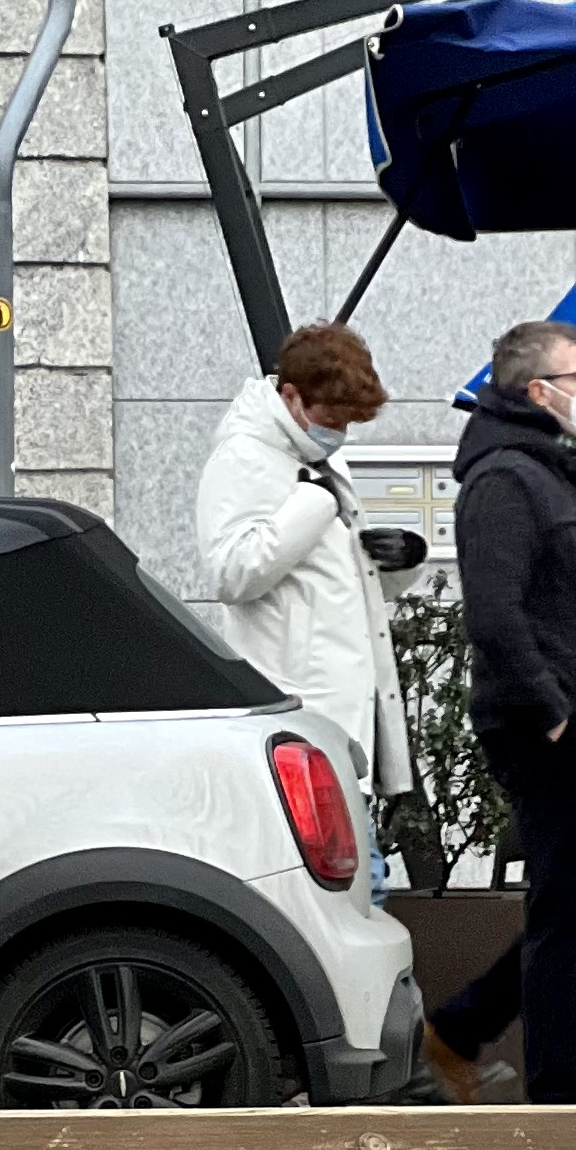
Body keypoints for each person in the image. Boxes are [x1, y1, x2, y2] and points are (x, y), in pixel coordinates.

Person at [422, 321, 576, 1106]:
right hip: (546, 725)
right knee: (568, 906)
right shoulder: (505, 480)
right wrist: (551, 712)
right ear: (535, 391)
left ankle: (463, 1026)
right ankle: (556, 1088)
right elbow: (496, 613)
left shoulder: (548, 467)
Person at [191, 318, 408, 813]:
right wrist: (310, 507)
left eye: (348, 423)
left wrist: (398, 562)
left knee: (355, 875)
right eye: (333, 418)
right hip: (298, 717)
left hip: (338, 715)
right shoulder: (243, 456)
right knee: (346, 879)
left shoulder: (313, 452)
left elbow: (335, 579)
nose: (340, 433)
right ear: (291, 397)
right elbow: (230, 573)